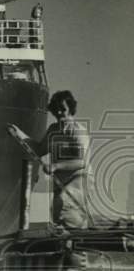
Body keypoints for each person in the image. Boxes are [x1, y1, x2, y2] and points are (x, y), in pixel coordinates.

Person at [31, 90, 89, 229]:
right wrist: (19, 134)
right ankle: (67, 243)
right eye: (56, 109)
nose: (59, 113)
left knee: (64, 206)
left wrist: (56, 166)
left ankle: (80, 240)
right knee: (57, 213)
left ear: (70, 110)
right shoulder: (53, 129)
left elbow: (82, 162)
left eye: (63, 109)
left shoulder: (77, 131)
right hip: (59, 180)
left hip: (78, 179)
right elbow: (39, 150)